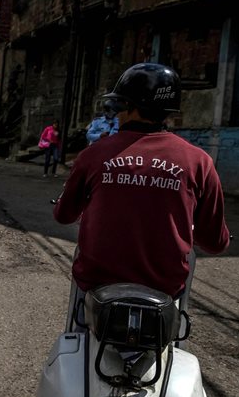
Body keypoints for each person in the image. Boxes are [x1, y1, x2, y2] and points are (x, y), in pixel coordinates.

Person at [55, 63, 229, 296]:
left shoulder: (94, 154)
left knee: (79, 325)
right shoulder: (199, 162)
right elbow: (215, 242)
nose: (116, 112)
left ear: (128, 106)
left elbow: (64, 215)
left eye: (119, 105)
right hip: (164, 287)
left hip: (96, 281)